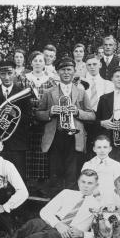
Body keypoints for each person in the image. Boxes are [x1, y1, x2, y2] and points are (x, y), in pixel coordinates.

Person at [35, 57, 95, 196]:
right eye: (63, 70)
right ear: (57, 72)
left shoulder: (81, 92)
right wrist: (50, 112)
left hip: (74, 138)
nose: (66, 72)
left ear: (74, 71)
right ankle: (54, 206)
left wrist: (77, 112)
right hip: (55, 137)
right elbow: (38, 114)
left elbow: (92, 115)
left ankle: (70, 206)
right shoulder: (49, 92)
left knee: (72, 174)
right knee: (55, 173)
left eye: (69, 70)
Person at [0, 59, 32, 179]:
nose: (6, 77)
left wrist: (16, 114)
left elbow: (30, 118)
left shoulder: (23, 94)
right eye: (3, 74)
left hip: (17, 144)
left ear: (15, 73)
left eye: (10, 73)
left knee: (18, 178)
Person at [23, 51, 58, 183]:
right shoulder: (23, 78)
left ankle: (41, 184)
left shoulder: (50, 81)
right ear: (31, 62)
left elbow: (53, 100)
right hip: (26, 121)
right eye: (35, 60)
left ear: (45, 63)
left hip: (44, 122)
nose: (38, 63)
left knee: (42, 150)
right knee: (27, 150)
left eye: (41, 61)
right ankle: (27, 182)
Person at [82, 135, 120, 206]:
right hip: (91, 197)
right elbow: (84, 185)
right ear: (94, 149)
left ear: (110, 149)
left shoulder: (116, 165)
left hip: (111, 198)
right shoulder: (88, 165)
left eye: (105, 147)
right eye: (99, 147)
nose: (102, 150)